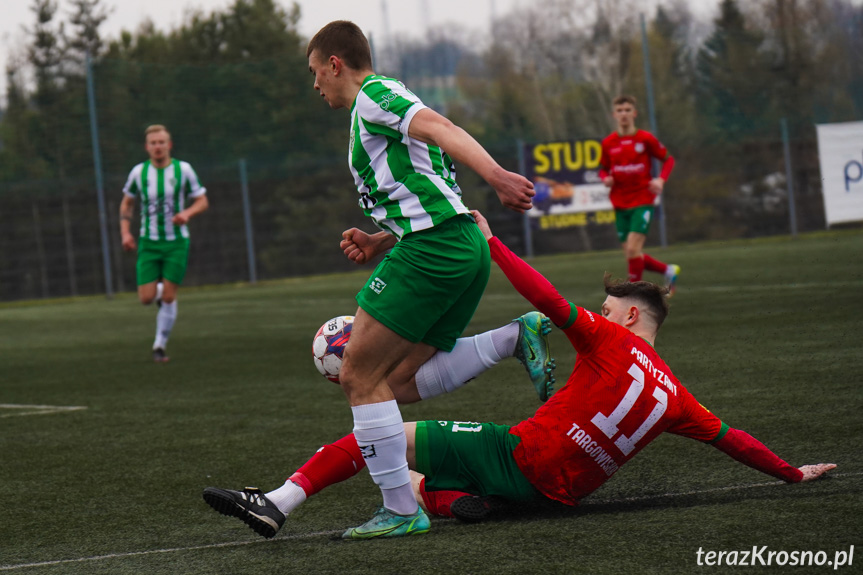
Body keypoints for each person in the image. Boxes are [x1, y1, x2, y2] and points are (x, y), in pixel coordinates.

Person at [202, 210, 835, 539]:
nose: (600, 316)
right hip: (560, 495)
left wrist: (493, 240)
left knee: (379, 433)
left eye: (610, 309)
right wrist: (790, 471)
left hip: (521, 457)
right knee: (421, 479)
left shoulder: (612, 342)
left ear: (634, 316)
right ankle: (444, 501)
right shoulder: (676, 397)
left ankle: (278, 502)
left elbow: (547, 298)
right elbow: (732, 439)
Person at [250, 20, 543, 539]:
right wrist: (379, 238)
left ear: (335, 64)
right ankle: (514, 337)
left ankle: (402, 509)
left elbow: (443, 130)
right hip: (456, 244)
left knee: (358, 376)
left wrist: (496, 175)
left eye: (316, 72)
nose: (315, 84)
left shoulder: (374, 96)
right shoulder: (380, 103)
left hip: (434, 250)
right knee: (398, 382)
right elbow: (427, 184)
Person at [120, 125, 209, 363]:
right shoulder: (139, 173)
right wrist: (125, 233)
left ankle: (159, 345)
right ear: (147, 147)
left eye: (161, 142)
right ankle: (162, 288)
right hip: (148, 243)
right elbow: (127, 204)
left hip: (176, 242)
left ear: (168, 145)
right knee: (146, 299)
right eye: (153, 143)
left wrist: (187, 214)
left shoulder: (183, 170)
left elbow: (202, 201)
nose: (157, 146)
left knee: (169, 298)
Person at [599, 95, 680, 293]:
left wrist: (660, 179)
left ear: (634, 114)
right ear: (614, 115)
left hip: (642, 199)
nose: (624, 114)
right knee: (630, 253)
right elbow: (602, 169)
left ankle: (631, 293)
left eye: (627, 110)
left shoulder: (645, 139)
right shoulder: (608, 143)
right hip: (619, 202)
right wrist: (605, 178)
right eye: (620, 110)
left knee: (634, 250)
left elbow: (668, 160)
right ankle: (668, 270)